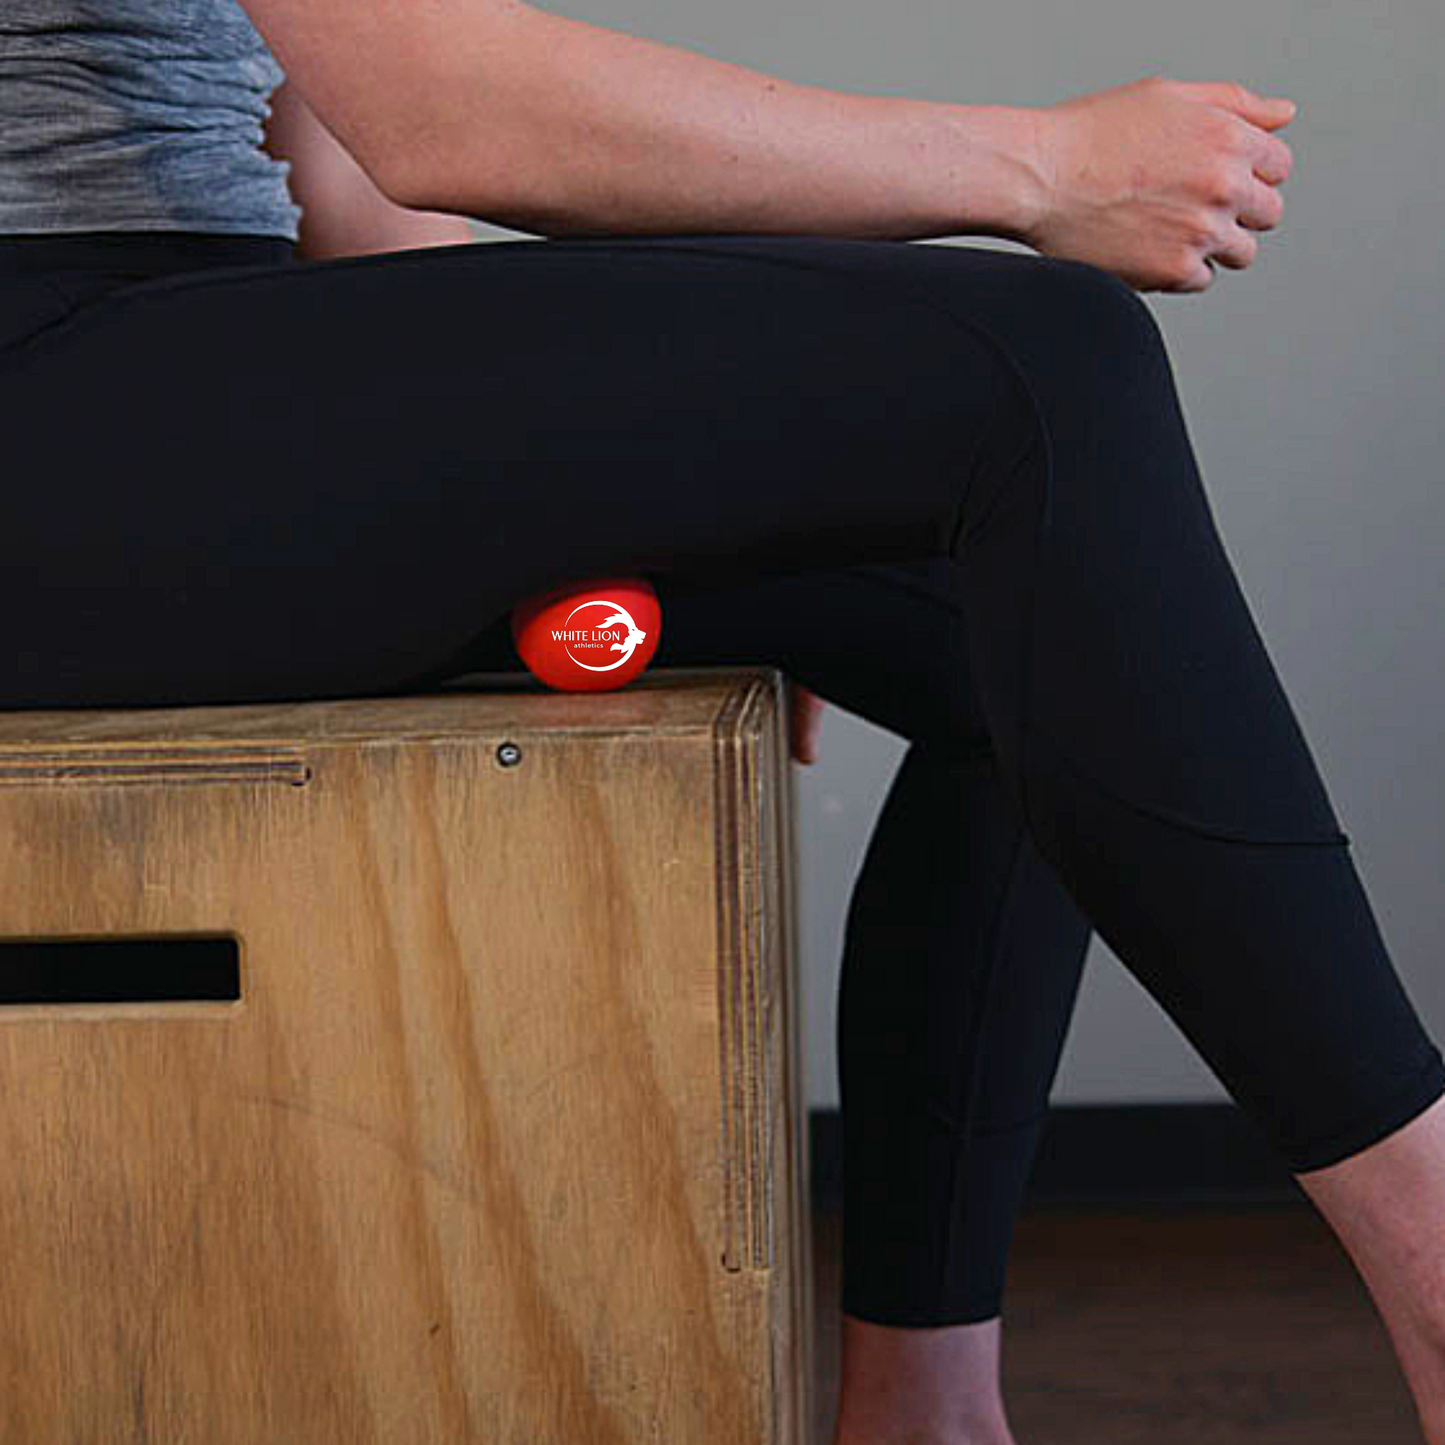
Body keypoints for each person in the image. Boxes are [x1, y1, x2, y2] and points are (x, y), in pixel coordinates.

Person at [2, 3, 1444, 1441]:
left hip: (169, 377)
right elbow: (436, 108)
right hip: (60, 397)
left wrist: (637, 488)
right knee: (1048, 365)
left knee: (1037, 605)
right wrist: (1044, 168)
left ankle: (924, 1415)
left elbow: (330, 155)